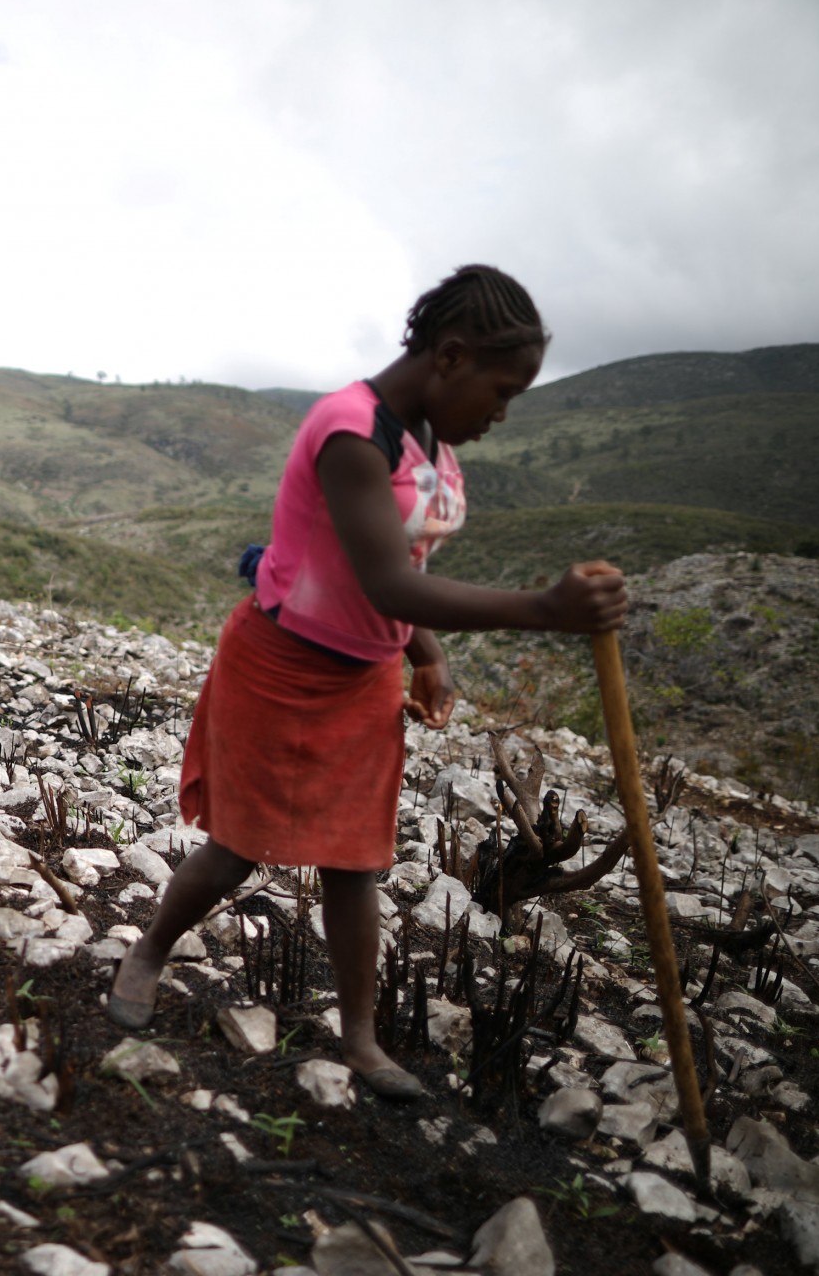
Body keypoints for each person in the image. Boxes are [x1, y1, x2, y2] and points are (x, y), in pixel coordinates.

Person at [106, 266, 628, 1101]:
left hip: (364, 679)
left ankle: (360, 1039)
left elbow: (396, 570)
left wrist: (427, 654)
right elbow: (386, 581)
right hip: (278, 667)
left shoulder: (426, 436)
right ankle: (149, 953)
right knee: (237, 845)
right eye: (501, 393)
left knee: (357, 863)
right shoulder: (351, 431)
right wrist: (544, 609)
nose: (501, 416)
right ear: (451, 355)